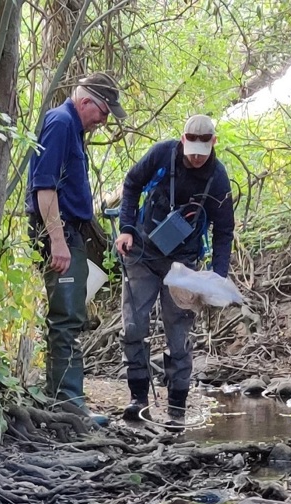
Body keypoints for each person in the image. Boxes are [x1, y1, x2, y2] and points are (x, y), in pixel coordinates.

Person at [115, 114, 235, 428]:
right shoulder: (161, 154)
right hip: (140, 253)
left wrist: (217, 277)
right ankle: (138, 401)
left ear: (213, 143)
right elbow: (131, 185)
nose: (195, 157)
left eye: (202, 150)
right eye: (191, 148)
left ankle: (176, 411)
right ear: (182, 140)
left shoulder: (218, 179)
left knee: (179, 336)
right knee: (134, 327)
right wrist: (125, 229)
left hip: (184, 266)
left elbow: (224, 231)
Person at [26, 73, 128, 427]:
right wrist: (57, 240)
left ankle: (61, 400)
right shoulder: (60, 123)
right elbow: (44, 188)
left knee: (68, 314)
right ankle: (68, 406)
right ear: (87, 103)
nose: (104, 121)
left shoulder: (73, 128)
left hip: (72, 232)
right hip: (60, 232)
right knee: (66, 318)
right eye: (103, 113)